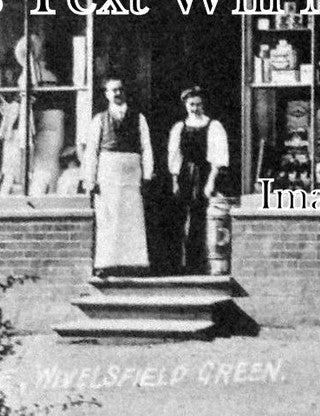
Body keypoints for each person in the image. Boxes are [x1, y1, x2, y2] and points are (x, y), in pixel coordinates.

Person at [83, 77, 154, 276]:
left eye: (120, 89)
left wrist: (147, 175)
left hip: (131, 171)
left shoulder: (138, 118)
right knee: (108, 217)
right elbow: (91, 151)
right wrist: (90, 178)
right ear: (106, 94)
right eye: (113, 90)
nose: (117, 93)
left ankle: (135, 263)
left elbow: (146, 148)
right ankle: (106, 264)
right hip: (107, 171)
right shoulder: (99, 119)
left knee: (132, 217)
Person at [166, 86, 230, 273]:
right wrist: (175, 180)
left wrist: (211, 181)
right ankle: (184, 263)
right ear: (186, 105)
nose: (195, 108)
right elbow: (175, 155)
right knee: (183, 216)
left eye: (198, 104)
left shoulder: (213, 126)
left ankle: (203, 263)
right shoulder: (180, 127)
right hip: (186, 174)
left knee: (202, 217)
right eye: (191, 104)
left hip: (205, 173)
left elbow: (218, 157)